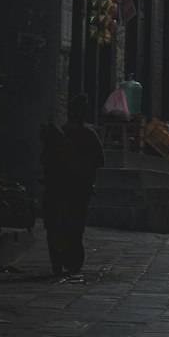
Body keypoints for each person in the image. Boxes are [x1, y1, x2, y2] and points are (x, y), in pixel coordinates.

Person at [41, 94, 105, 277]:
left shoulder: (59, 132)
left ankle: (58, 260)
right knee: (76, 227)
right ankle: (72, 262)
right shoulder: (90, 135)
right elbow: (100, 161)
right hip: (79, 188)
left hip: (57, 187)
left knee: (54, 226)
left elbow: (45, 159)